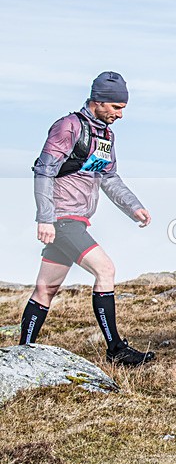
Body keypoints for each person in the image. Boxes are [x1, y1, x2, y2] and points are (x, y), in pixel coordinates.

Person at [19, 71, 155, 366]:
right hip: (62, 219)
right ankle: (116, 349)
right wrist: (44, 218)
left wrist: (134, 206)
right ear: (99, 101)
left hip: (76, 219)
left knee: (45, 289)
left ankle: (22, 352)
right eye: (117, 108)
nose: (121, 115)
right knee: (105, 270)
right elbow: (44, 170)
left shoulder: (105, 135)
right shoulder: (68, 127)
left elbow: (108, 177)